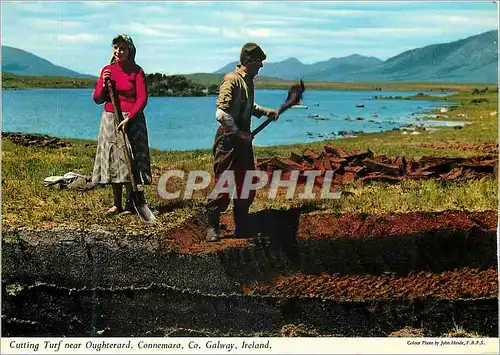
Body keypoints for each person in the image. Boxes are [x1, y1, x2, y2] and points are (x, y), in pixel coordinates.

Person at [205, 43, 279, 242]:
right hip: (228, 139)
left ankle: (241, 225)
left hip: (243, 139)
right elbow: (221, 114)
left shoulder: (248, 81)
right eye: (260, 62)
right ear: (251, 61)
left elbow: (248, 105)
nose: (261, 66)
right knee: (224, 181)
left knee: (246, 183)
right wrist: (238, 133)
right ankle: (212, 226)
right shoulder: (231, 80)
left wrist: (265, 112)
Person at [91, 34, 152, 215]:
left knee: (129, 160)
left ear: (130, 50)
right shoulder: (107, 70)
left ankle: (130, 204)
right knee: (113, 159)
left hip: (132, 120)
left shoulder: (137, 71)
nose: (119, 52)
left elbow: (142, 99)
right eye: (116, 48)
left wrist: (129, 118)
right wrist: (103, 82)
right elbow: (97, 98)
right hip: (110, 118)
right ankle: (116, 204)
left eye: (123, 48)